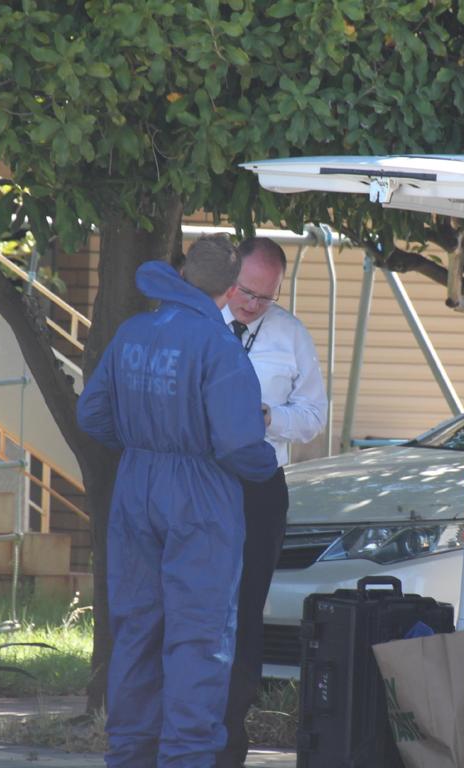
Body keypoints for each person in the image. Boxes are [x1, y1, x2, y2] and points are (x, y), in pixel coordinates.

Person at [77, 235, 278, 767]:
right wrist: (265, 468)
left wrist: (147, 441)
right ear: (231, 289)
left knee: (138, 631)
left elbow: (92, 415)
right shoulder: (219, 346)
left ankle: (130, 756)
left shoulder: (133, 332)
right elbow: (239, 444)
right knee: (198, 638)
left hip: (136, 488)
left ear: (184, 273)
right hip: (200, 498)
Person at [215, 237, 327, 768]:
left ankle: (230, 736)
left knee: (244, 606)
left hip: (260, 485)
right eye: (244, 291)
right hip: (203, 480)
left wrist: (270, 419)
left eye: (264, 297)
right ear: (229, 277)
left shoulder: (290, 335)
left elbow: (313, 415)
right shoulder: (201, 319)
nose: (251, 305)